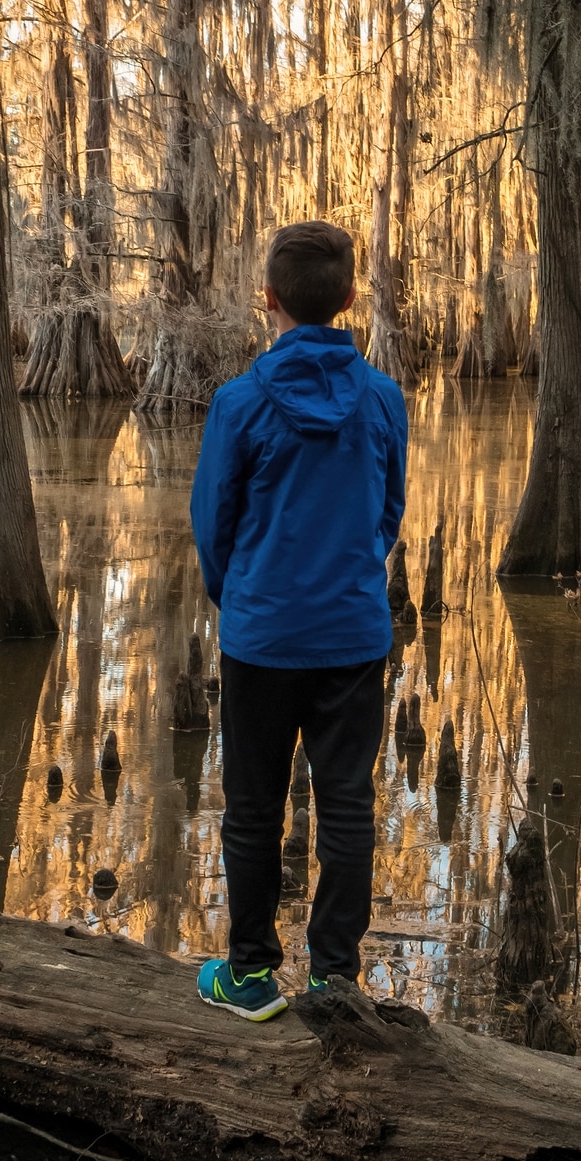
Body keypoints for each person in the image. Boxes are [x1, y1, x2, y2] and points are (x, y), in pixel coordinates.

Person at [187, 220, 408, 1021]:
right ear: (349, 300)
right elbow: (389, 515)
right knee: (347, 805)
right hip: (352, 637)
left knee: (252, 807)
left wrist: (243, 594)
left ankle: (249, 977)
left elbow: (213, 524)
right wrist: (346, 578)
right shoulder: (383, 400)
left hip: (263, 637)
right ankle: (333, 982)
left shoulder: (240, 403)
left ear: (268, 300)